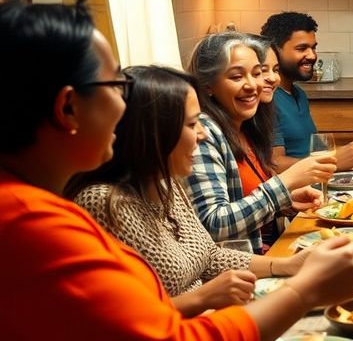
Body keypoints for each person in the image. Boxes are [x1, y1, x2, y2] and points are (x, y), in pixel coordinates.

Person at [0, 0, 353, 340]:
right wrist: (303, 291)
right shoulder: (33, 223)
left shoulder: (44, 205)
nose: (124, 102)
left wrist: (290, 267)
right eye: (115, 84)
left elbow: (203, 258)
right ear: (68, 108)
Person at [65, 66, 311, 318]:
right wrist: (203, 297)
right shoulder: (102, 202)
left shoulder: (165, 182)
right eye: (193, 123)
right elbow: (119, 316)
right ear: (154, 131)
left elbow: (210, 256)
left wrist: (286, 265)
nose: (203, 134)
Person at [187, 32, 336, 253]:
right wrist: (284, 184)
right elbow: (213, 224)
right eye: (237, 77)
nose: (252, 85)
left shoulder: (246, 126)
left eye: (257, 73)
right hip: (242, 271)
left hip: (270, 253)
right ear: (207, 85)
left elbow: (245, 199)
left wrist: (286, 201)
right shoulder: (203, 133)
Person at [260, 12, 353, 171]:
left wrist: (346, 152)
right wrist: (333, 160)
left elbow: (306, 150)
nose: (312, 55)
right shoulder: (268, 99)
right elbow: (275, 164)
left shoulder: (298, 93)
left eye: (313, 47)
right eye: (302, 48)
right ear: (275, 51)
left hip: (315, 182)